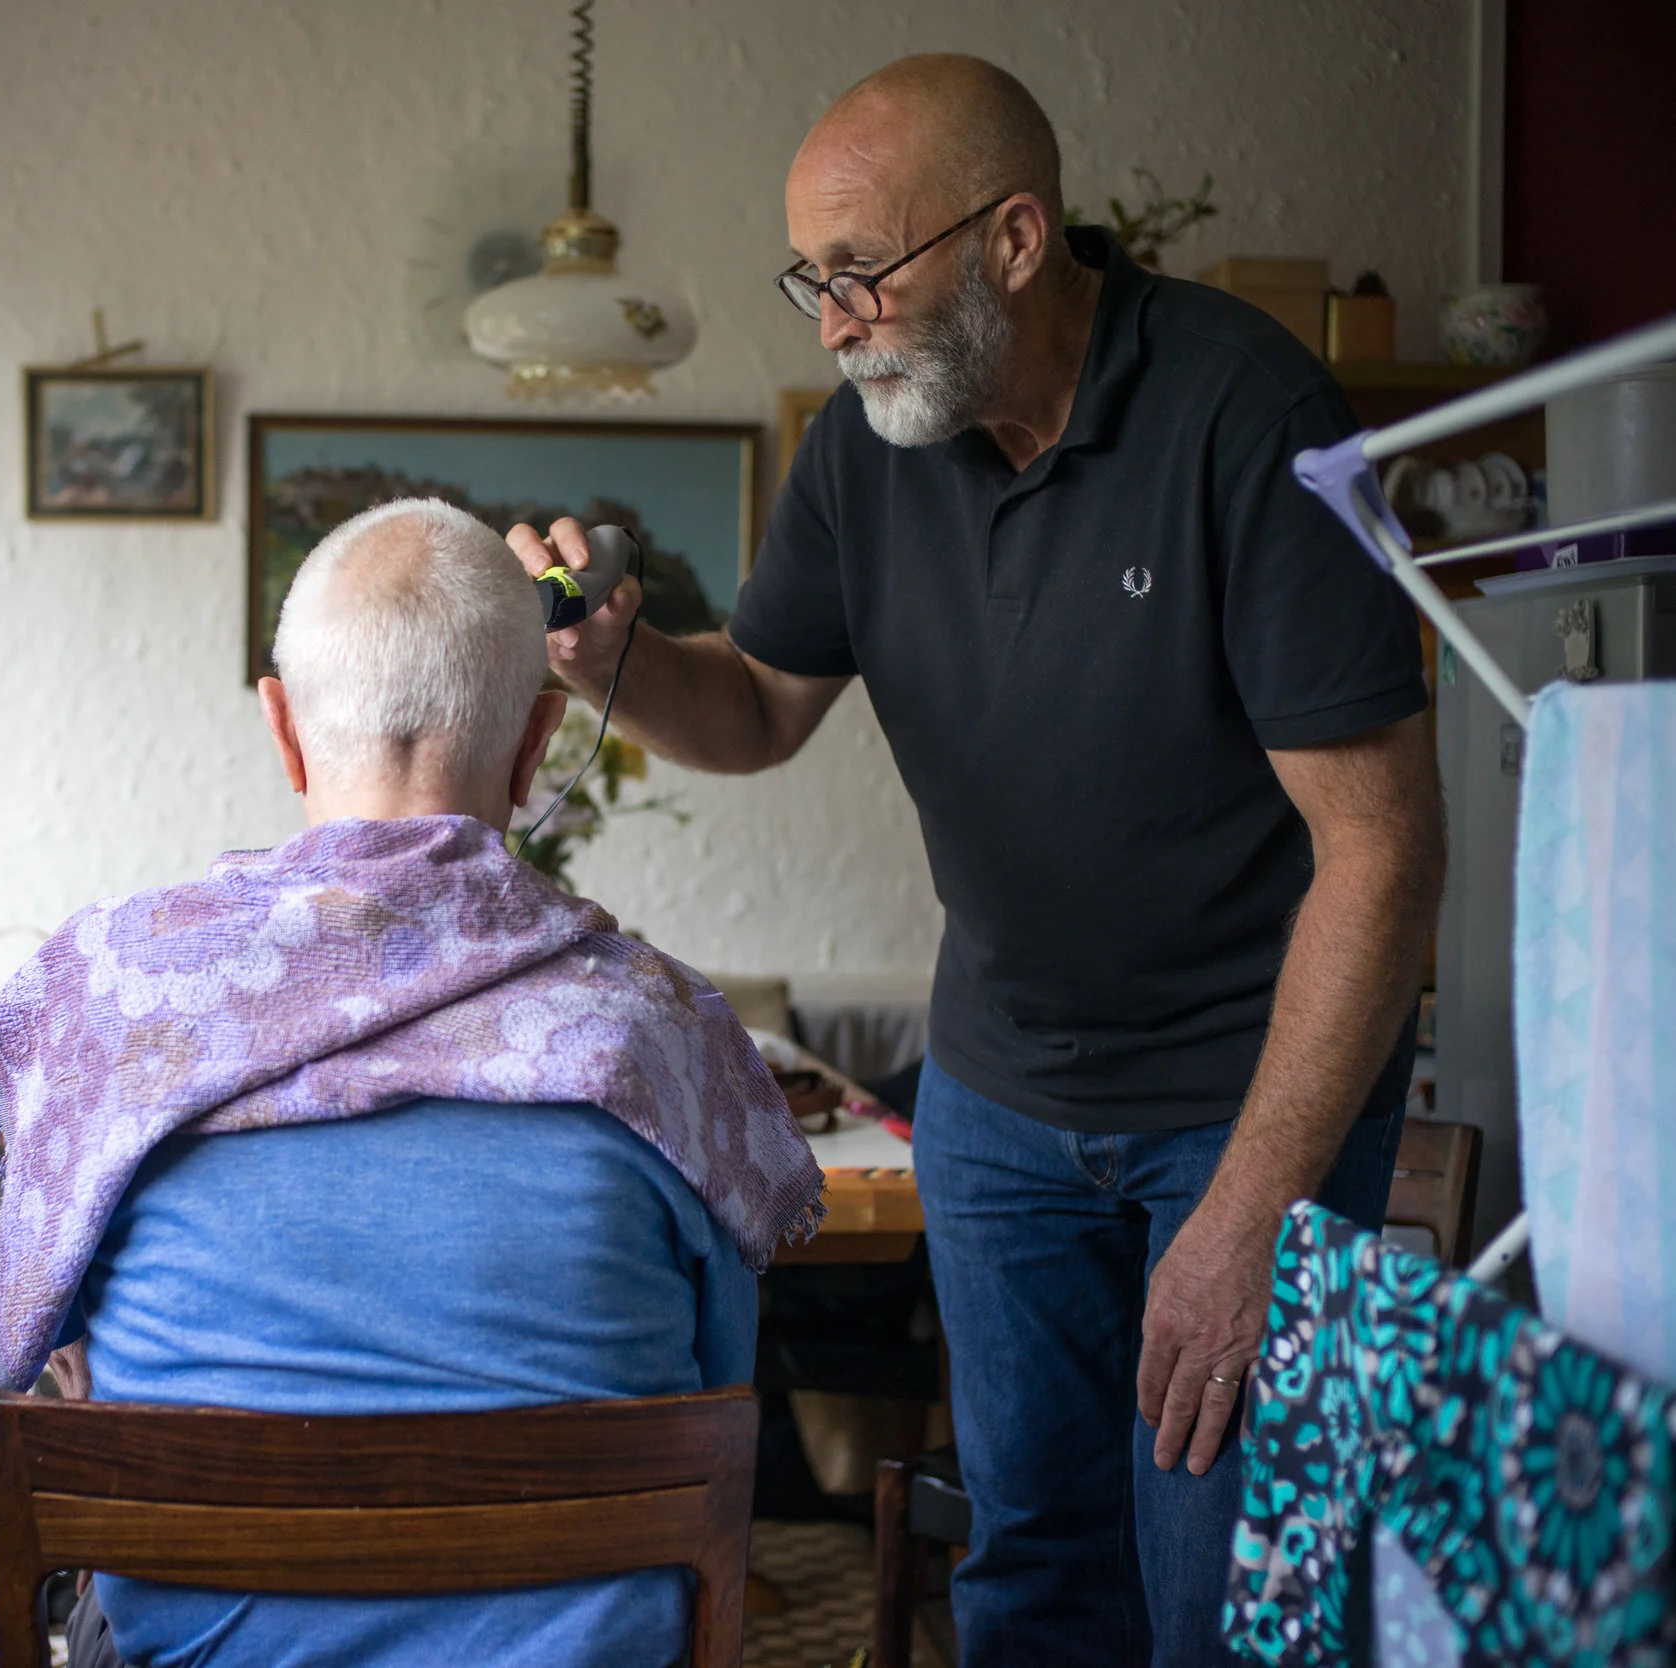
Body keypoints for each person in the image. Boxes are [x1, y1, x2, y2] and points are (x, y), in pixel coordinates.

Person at [510, 54, 1444, 1667]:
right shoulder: (872, 444)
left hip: (1250, 1103)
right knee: (1028, 1574)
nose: (832, 320)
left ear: (1016, 240)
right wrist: (614, 662)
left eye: (863, 272)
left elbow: (1384, 851)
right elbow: (749, 706)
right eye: (813, 277)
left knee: (1232, 1600)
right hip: (1002, 1103)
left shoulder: (1250, 411)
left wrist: (1252, 1216)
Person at [0, 497, 824, 1668]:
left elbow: (49, 1339)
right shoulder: (663, 1034)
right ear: (534, 746)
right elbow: (712, 1383)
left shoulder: (104, 1003)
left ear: (284, 729)